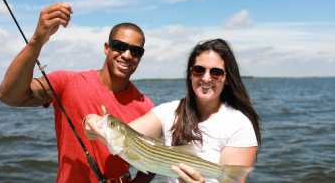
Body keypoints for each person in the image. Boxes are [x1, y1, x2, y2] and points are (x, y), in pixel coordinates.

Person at [0, 2, 155, 183]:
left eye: (136, 51)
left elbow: (152, 159)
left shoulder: (146, 107)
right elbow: (8, 95)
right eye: (119, 46)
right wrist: (37, 40)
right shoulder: (67, 82)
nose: (127, 55)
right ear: (106, 48)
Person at [84, 38, 262, 183]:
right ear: (190, 73)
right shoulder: (168, 112)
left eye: (216, 72)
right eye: (199, 70)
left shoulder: (239, 124)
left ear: (227, 78)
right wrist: (92, 122)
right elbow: (128, 133)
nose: (206, 78)